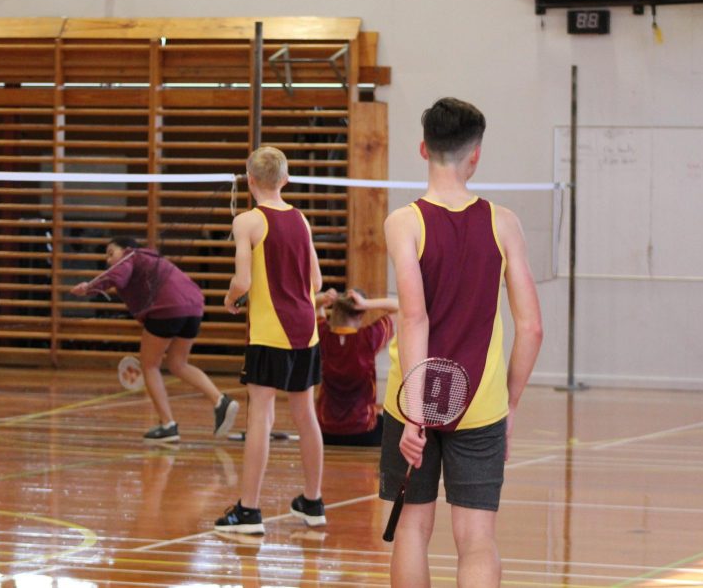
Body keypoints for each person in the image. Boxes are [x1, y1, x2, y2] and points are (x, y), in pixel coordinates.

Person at [381, 97, 543, 587]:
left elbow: (414, 318)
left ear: (423, 148)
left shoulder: (403, 222)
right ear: (476, 155)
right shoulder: (504, 223)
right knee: (476, 538)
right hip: (482, 404)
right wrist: (509, 404)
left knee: (412, 527)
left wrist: (415, 411)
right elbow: (532, 328)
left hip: (412, 400)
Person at [215, 146, 325, 535]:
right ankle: (313, 501)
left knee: (260, 412)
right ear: (285, 179)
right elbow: (317, 283)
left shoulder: (247, 221)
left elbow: (242, 281)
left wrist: (230, 299)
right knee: (305, 413)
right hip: (306, 328)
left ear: (250, 181)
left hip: (269, 331)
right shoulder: (301, 219)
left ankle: (249, 510)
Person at [70, 236, 239, 443]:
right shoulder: (150, 259)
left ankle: (168, 425)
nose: (108, 260)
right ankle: (220, 401)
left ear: (126, 250)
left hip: (167, 309)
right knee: (178, 363)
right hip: (194, 307)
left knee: (149, 365)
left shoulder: (130, 258)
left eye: (111, 253)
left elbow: (119, 277)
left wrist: (90, 287)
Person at [314, 288, 397, 447]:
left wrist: (322, 299)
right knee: (388, 418)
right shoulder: (369, 338)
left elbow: (313, 307)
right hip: (365, 433)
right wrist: (368, 304)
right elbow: (401, 307)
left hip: (325, 433)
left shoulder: (323, 336)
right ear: (361, 313)